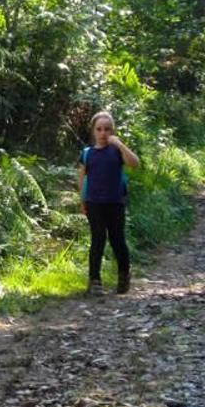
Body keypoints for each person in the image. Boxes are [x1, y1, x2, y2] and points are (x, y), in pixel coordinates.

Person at [79, 111, 140, 295]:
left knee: (117, 240)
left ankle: (124, 276)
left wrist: (120, 144)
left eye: (107, 129)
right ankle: (94, 280)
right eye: (99, 129)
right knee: (97, 240)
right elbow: (81, 178)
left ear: (112, 131)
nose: (103, 133)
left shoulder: (117, 151)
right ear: (93, 131)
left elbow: (135, 163)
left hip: (115, 203)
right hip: (94, 203)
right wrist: (82, 201)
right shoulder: (87, 154)